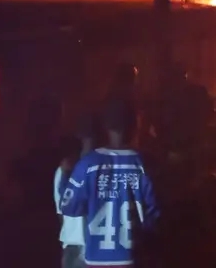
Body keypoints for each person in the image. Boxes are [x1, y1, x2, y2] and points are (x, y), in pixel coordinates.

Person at [61, 99, 160, 267]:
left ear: (105, 127)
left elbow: (69, 207)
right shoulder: (142, 165)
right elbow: (153, 213)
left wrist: (66, 177)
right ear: (134, 127)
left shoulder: (88, 164)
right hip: (131, 259)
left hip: (94, 260)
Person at [55, 135, 90, 268]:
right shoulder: (63, 171)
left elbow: (60, 212)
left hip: (73, 242)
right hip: (80, 244)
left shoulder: (63, 171)